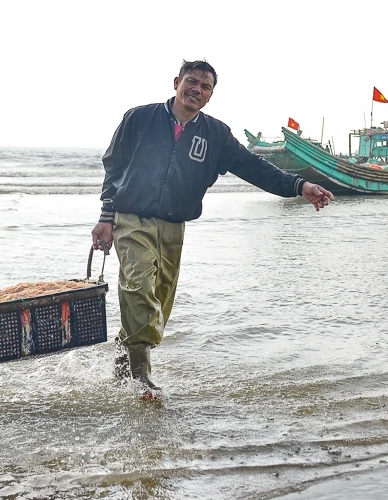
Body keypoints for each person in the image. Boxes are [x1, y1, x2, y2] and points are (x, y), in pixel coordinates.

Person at [91, 60, 335, 397]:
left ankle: (123, 366)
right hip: (131, 218)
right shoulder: (139, 118)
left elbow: (255, 167)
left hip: (174, 227)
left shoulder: (215, 135)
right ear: (176, 82)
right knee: (138, 287)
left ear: (210, 96)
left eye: (205, 87)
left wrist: (299, 186)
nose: (197, 90)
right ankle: (141, 378)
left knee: (157, 303)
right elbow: (113, 167)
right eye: (191, 82)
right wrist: (106, 216)